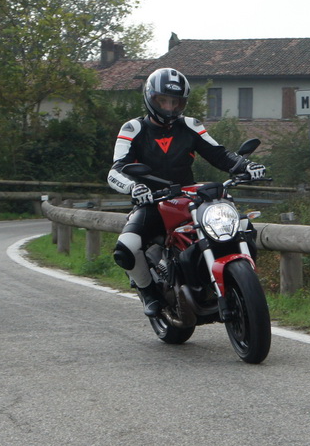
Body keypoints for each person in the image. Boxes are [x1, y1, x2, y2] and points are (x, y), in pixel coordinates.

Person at [107, 67, 266, 316]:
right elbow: (115, 171)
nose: (170, 107)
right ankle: (148, 292)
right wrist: (134, 187)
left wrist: (247, 166)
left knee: (243, 226)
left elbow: (220, 154)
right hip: (152, 201)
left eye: (176, 102)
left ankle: (238, 281)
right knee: (126, 247)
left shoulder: (190, 125)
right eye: (164, 101)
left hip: (189, 197)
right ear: (151, 98)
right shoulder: (133, 129)